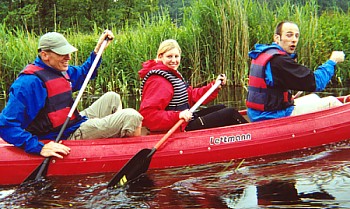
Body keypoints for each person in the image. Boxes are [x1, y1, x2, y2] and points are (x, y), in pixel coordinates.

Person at [0, 31, 143, 159]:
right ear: (45, 55)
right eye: (62, 53)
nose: (68, 57)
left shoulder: (59, 70)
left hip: (74, 122)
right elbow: (6, 125)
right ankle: (129, 151)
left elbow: (85, 73)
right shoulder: (29, 84)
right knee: (131, 116)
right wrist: (39, 147)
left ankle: (116, 138)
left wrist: (98, 51)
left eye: (68, 52)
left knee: (112, 97)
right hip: (63, 134)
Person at [138, 39, 247, 133]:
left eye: (176, 56)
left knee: (222, 108)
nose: (174, 60)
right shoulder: (158, 81)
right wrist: (178, 115)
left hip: (184, 122)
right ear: (160, 56)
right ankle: (250, 135)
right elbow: (148, 115)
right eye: (169, 56)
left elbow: (190, 96)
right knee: (230, 113)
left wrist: (213, 86)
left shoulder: (171, 74)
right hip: (176, 128)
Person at [246, 21, 345, 122]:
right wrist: (332, 61)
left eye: (296, 36)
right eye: (289, 35)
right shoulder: (279, 61)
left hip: (256, 114)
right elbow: (316, 83)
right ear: (277, 38)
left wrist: (286, 98)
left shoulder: (263, 53)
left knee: (314, 97)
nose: (294, 40)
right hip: (272, 116)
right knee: (331, 102)